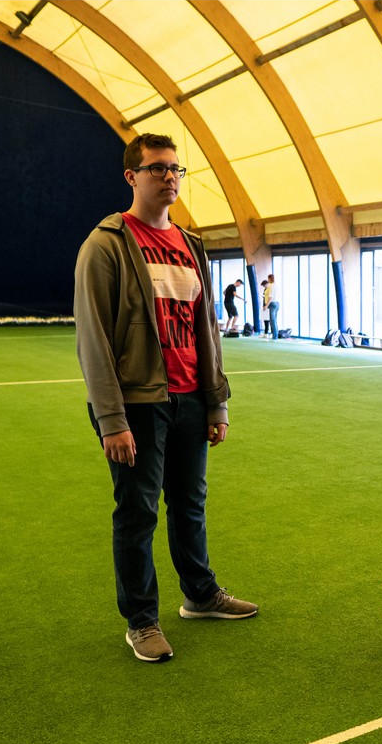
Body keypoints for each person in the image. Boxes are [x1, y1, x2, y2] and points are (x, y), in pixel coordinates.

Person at [74, 132, 258, 663]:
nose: (169, 177)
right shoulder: (106, 244)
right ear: (131, 176)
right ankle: (141, 620)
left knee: (190, 505)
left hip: (191, 399)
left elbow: (208, 331)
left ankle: (200, 596)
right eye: (157, 168)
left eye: (175, 168)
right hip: (137, 404)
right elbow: (93, 338)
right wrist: (111, 419)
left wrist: (216, 402)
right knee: (137, 514)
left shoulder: (191, 245)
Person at [266, 273, 280, 340]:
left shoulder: (271, 286)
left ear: (269, 279)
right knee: (274, 320)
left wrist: (266, 305)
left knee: (272, 321)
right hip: (277, 303)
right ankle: (275, 335)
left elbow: (270, 297)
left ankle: (275, 336)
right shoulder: (276, 285)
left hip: (272, 304)